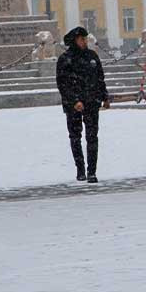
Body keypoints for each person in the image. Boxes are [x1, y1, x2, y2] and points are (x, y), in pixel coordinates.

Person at [56, 26, 110, 182]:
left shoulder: (92, 56)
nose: (84, 41)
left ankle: (92, 171)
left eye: (85, 39)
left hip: (92, 102)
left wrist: (105, 96)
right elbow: (63, 84)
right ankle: (80, 169)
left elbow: (100, 78)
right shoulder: (65, 59)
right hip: (74, 105)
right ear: (75, 40)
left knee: (92, 137)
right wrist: (75, 101)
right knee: (75, 137)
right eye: (81, 39)